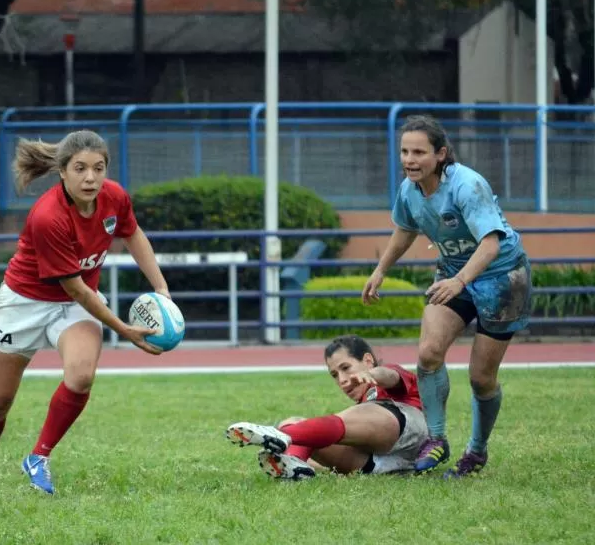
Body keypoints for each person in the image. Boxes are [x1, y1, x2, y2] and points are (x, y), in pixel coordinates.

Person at [0, 130, 169, 497]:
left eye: (98, 168)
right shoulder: (47, 216)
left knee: (81, 375)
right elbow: (75, 287)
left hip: (75, 305)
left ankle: (39, 457)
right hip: (24, 303)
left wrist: (161, 289)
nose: (90, 177)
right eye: (80, 169)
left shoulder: (114, 197)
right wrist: (123, 328)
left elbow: (133, 234)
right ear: (62, 171)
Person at [362, 114, 532, 478]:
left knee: (481, 378)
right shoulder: (409, 189)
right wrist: (380, 270)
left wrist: (460, 281)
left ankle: (477, 451)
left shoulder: (468, 186)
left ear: (440, 154)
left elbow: (490, 243)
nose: (409, 159)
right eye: (405, 151)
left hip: (503, 277)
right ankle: (436, 440)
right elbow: (405, 229)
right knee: (428, 353)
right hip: (454, 272)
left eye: (419, 152)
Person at [225, 335, 428, 480]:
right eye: (334, 375)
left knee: (318, 427)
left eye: (345, 368)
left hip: (412, 435)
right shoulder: (364, 407)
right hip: (379, 466)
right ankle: (294, 465)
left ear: (368, 360)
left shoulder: (389, 378)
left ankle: (281, 435)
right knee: (296, 423)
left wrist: (374, 374)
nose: (342, 380)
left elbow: (390, 376)